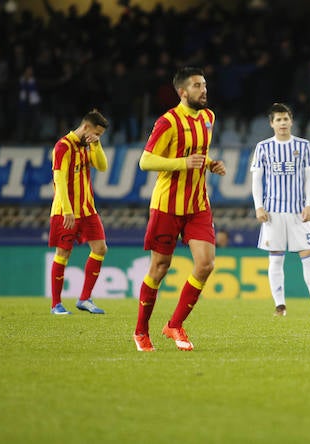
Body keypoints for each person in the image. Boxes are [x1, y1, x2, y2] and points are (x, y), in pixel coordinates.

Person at [133, 67, 227, 352]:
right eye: (198, 86)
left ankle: (174, 324)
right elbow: (145, 161)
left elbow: (199, 152)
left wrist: (210, 163)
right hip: (167, 206)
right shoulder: (168, 122)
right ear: (183, 92)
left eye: (205, 84)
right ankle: (140, 332)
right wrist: (182, 164)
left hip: (198, 204)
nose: (204, 90)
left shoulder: (208, 117)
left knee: (206, 264)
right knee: (159, 268)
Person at [251, 103, 310, 318]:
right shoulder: (263, 147)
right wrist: (258, 206)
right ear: (272, 123)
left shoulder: (303, 146)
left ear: (291, 121)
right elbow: (257, 179)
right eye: (278, 120)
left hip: (298, 212)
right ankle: (280, 306)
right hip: (272, 212)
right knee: (276, 258)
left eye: (285, 119)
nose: (282, 123)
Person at [48, 109, 110, 315]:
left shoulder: (87, 145)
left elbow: (102, 166)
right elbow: (59, 180)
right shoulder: (63, 147)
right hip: (66, 210)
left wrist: (97, 144)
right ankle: (56, 304)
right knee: (63, 253)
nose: (96, 137)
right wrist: (66, 210)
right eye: (96, 134)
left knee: (100, 248)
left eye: (100, 135)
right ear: (85, 127)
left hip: (87, 209)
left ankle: (84, 298)